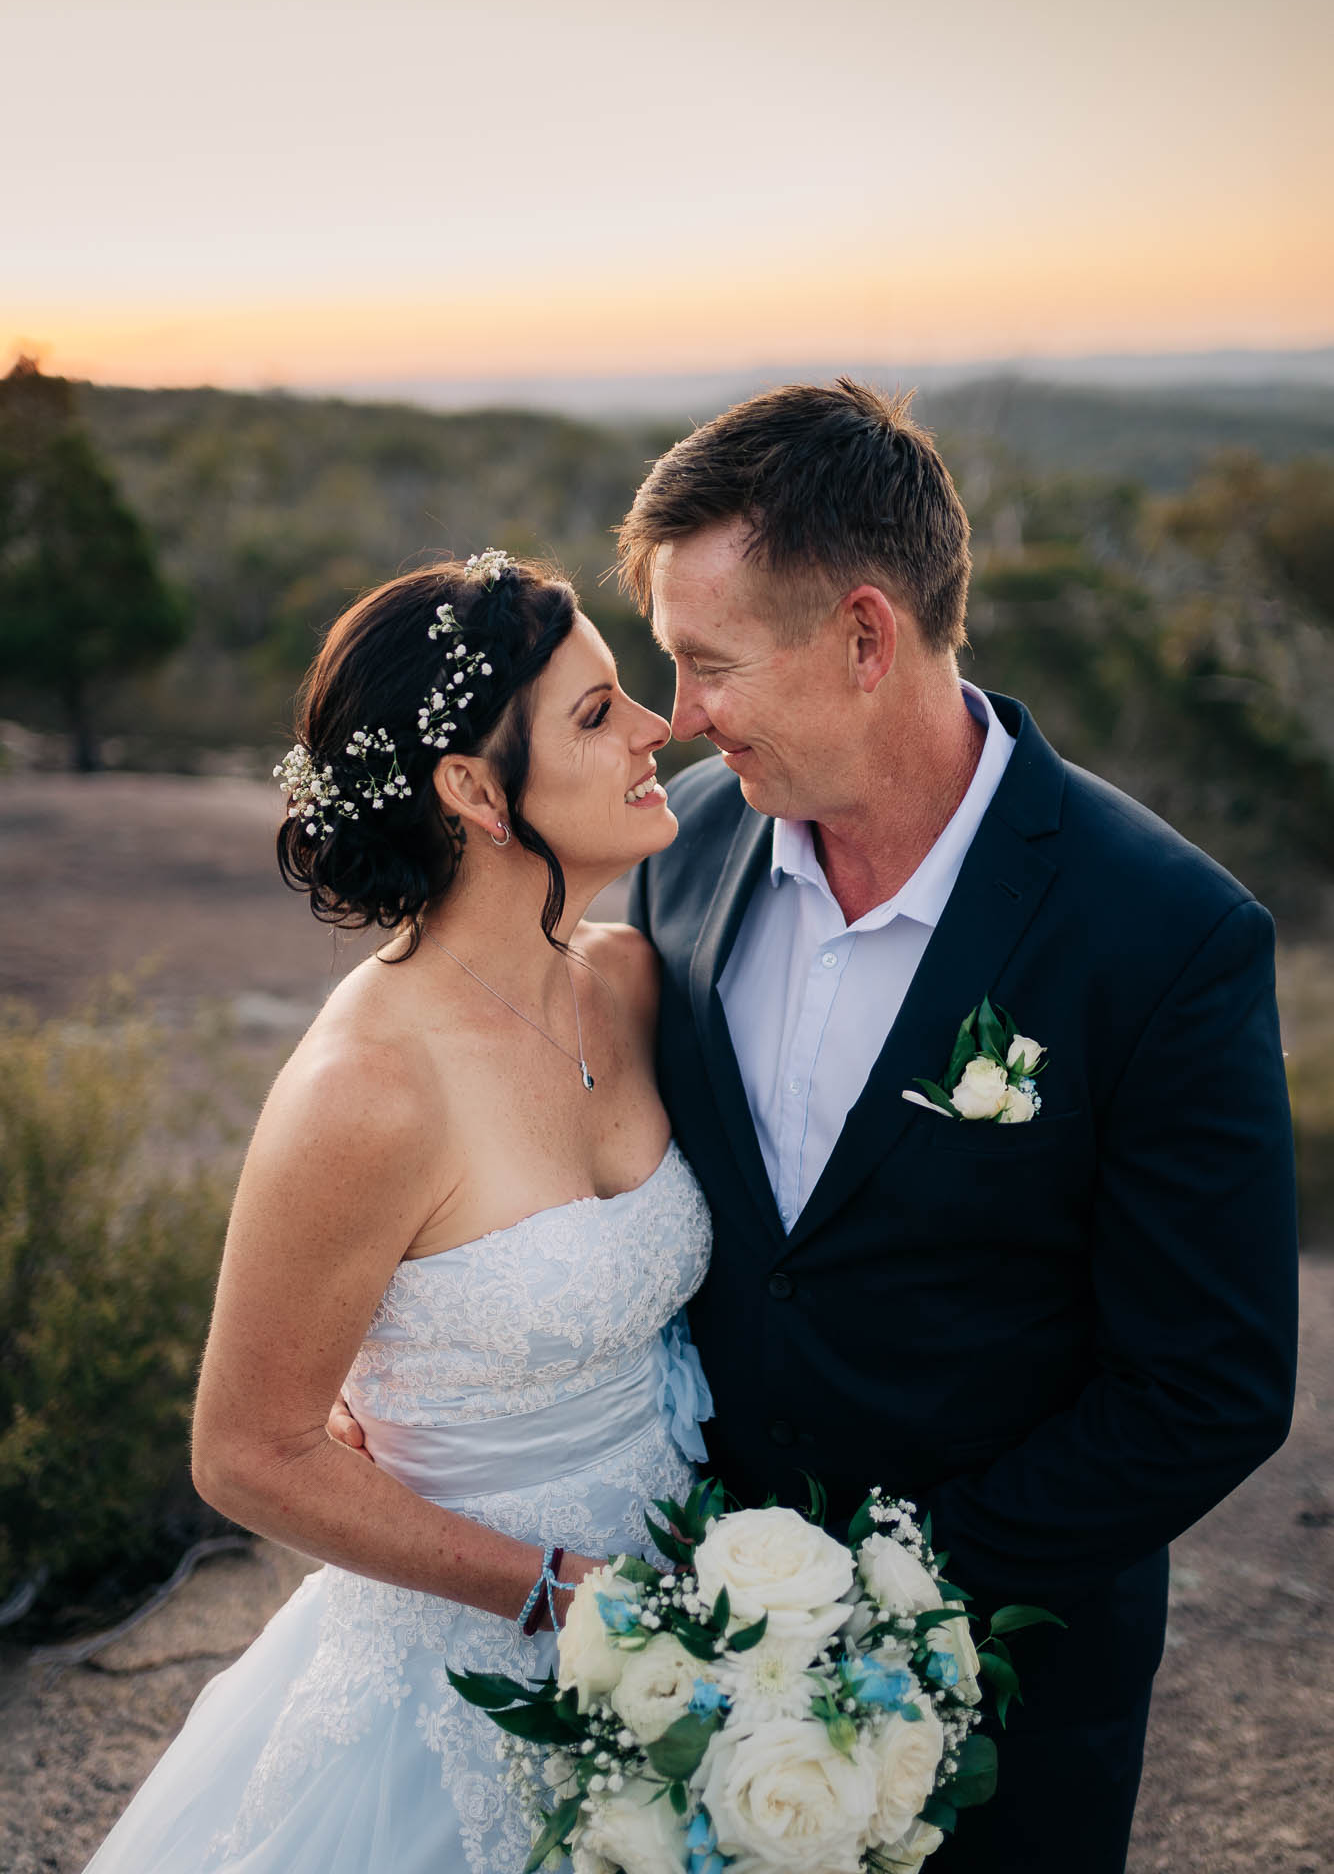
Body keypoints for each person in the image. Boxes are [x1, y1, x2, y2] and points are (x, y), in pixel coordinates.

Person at [608, 378, 1299, 1874]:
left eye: (707, 664)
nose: (679, 719)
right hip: (689, 1670)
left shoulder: (1160, 933)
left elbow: (1212, 1383)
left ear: (865, 638)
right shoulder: (687, 862)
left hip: (1010, 1693)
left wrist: (882, 1595)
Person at [82, 553, 714, 1874]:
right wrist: (551, 1593)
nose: (659, 727)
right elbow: (247, 1451)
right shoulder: (365, 1092)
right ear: (475, 789)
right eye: (598, 715)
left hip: (690, 1624)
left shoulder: (631, 980)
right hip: (464, 1664)